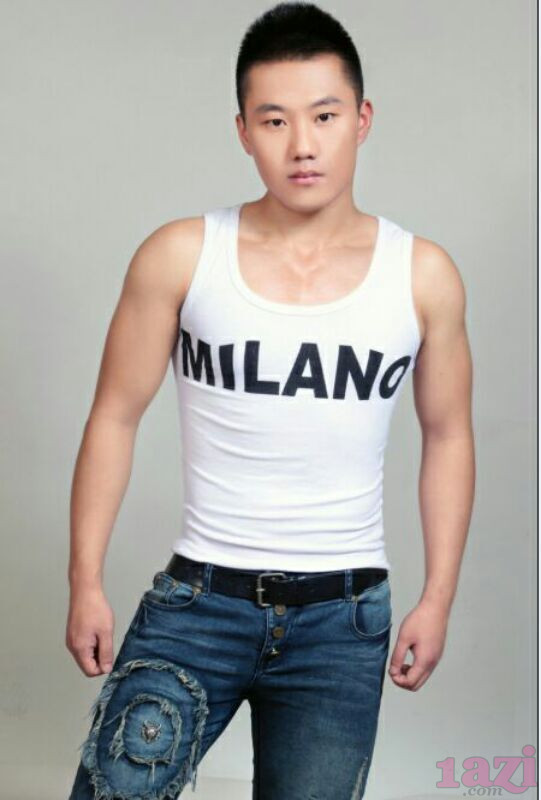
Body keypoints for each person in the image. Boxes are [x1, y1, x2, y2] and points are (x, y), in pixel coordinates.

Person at [65, 2, 475, 798]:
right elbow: (113, 415)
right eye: (274, 120)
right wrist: (85, 579)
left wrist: (437, 598)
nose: (302, 145)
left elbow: (449, 435)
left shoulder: (421, 275)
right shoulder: (182, 255)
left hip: (342, 620)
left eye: (323, 115)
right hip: (198, 605)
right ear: (243, 131)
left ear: (361, 119)